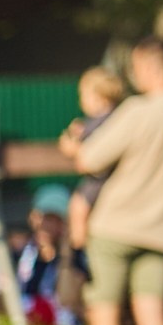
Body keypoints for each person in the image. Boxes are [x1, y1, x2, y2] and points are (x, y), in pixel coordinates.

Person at [66, 38, 163, 325]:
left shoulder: (140, 109)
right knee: (153, 318)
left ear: (148, 67)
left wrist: (72, 146)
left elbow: (90, 158)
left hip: (115, 228)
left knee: (104, 316)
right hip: (162, 231)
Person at [63, 66, 127, 264]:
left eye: (83, 95)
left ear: (99, 97)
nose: (81, 101)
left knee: (78, 205)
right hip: (106, 176)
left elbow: (87, 152)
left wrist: (72, 141)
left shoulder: (101, 121)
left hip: (99, 178)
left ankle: (79, 249)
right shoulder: (118, 117)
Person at [16, 183, 85, 325]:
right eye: (43, 218)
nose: (46, 225)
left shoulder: (74, 256)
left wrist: (64, 250)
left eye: (54, 219)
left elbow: (68, 299)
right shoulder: (23, 251)